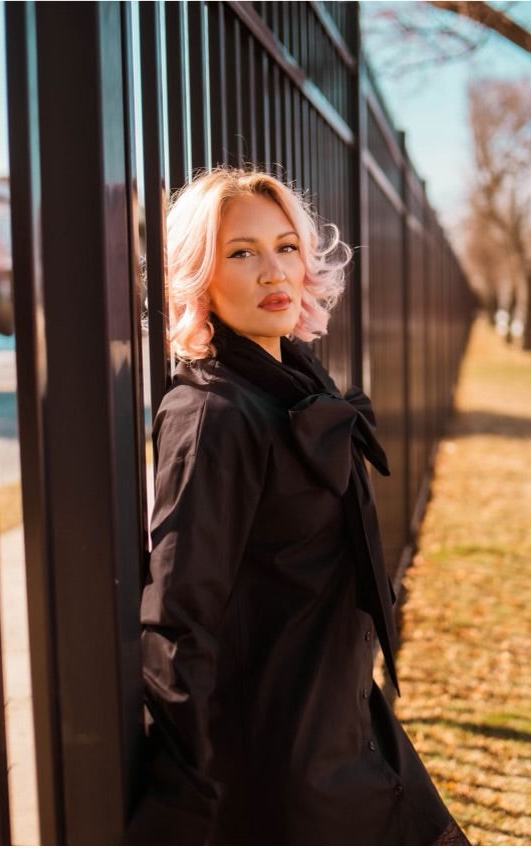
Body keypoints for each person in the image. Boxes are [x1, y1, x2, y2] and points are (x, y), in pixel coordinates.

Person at [126, 167, 470, 844]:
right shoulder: (211, 414)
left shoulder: (294, 379)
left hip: (345, 716)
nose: (273, 270)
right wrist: (185, 796)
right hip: (286, 761)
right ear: (199, 276)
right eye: (241, 252)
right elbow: (178, 615)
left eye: (285, 246)